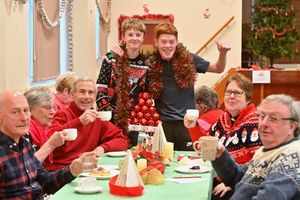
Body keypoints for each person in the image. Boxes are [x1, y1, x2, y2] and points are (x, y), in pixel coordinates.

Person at [147, 22, 231, 151]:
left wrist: (223, 53)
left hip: (187, 124)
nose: (168, 46)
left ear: (177, 42)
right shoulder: (151, 63)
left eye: (171, 42)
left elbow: (218, 68)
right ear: (156, 43)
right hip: (162, 126)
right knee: (163, 162)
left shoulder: (189, 59)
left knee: (189, 163)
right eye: (163, 42)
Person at [0, 90, 98, 199]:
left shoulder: (25, 144)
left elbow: (46, 183)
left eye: (26, 111)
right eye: (15, 112)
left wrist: (73, 169)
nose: (24, 118)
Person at [211, 94, 300, 199]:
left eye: (274, 118)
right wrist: (220, 156)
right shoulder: (266, 151)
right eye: (262, 116)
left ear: (291, 127)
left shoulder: (293, 155)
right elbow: (239, 179)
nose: (264, 123)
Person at [47, 77, 128, 171]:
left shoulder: (97, 118)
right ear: (73, 95)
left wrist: (101, 149)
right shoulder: (63, 114)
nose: (86, 97)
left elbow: (121, 140)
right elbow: (49, 138)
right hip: (62, 170)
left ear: (95, 97)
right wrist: (79, 121)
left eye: (90, 93)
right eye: (82, 92)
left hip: (85, 168)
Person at [207, 73, 262, 199]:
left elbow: (258, 165)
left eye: (237, 93)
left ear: (248, 98)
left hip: (242, 184)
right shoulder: (224, 119)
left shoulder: (254, 122)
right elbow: (207, 146)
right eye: (228, 92)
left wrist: (231, 183)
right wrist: (193, 127)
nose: (231, 96)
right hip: (220, 177)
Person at [96, 18, 149, 146]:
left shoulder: (147, 63)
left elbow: (147, 92)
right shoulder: (111, 58)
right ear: (123, 37)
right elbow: (101, 88)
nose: (134, 38)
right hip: (112, 117)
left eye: (138, 35)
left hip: (136, 119)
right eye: (130, 34)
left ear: (143, 38)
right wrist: (107, 113)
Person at [24, 86, 66, 164]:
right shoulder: (25, 132)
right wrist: (51, 144)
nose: (53, 112)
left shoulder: (42, 129)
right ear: (30, 109)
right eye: (47, 107)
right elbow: (28, 167)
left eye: (53, 108)